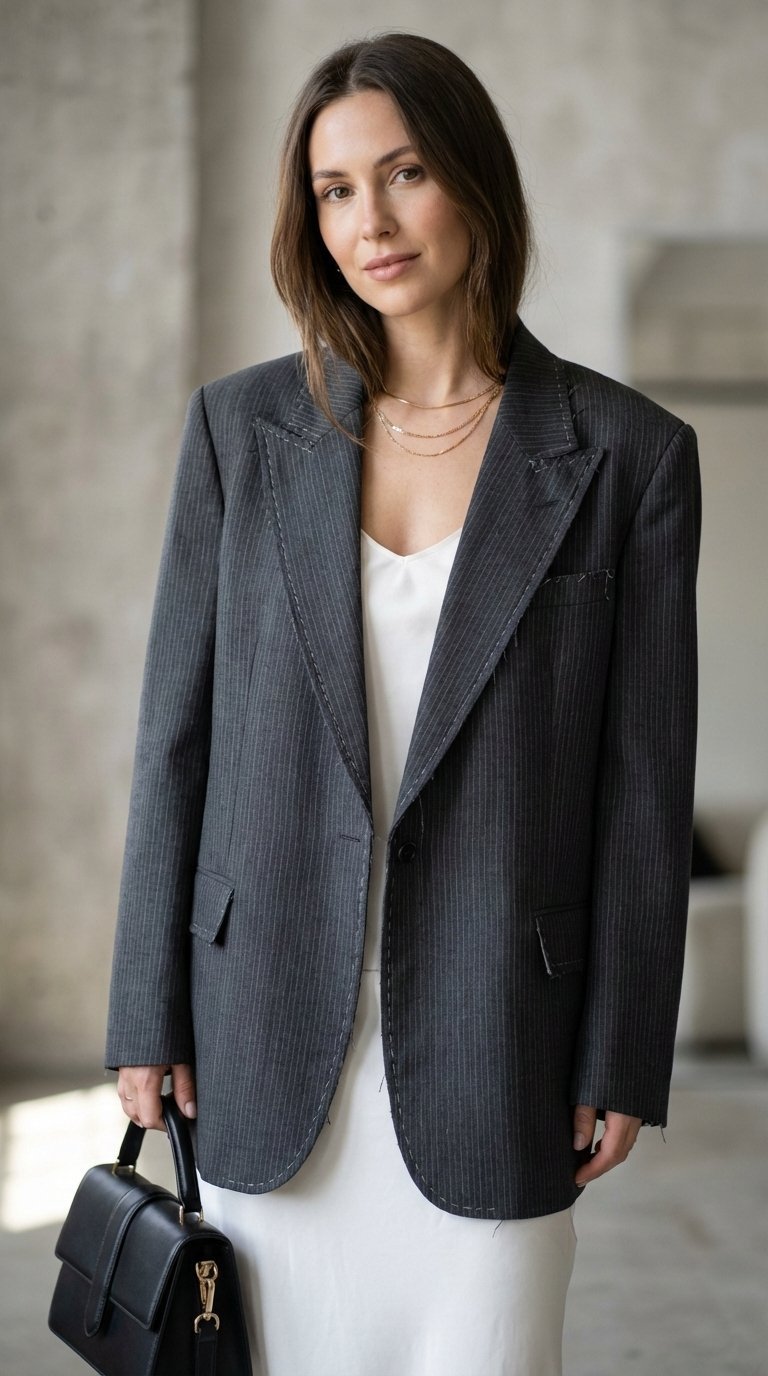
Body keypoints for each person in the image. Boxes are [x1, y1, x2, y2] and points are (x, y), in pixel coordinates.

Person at [106, 31, 702, 1376]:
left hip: (505, 1046)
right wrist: (145, 1007)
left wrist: (623, 1043)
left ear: (475, 182)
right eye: (333, 189)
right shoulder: (239, 436)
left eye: (406, 172)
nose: (368, 220)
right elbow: (175, 739)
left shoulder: (630, 459)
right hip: (262, 1034)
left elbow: (643, 791)